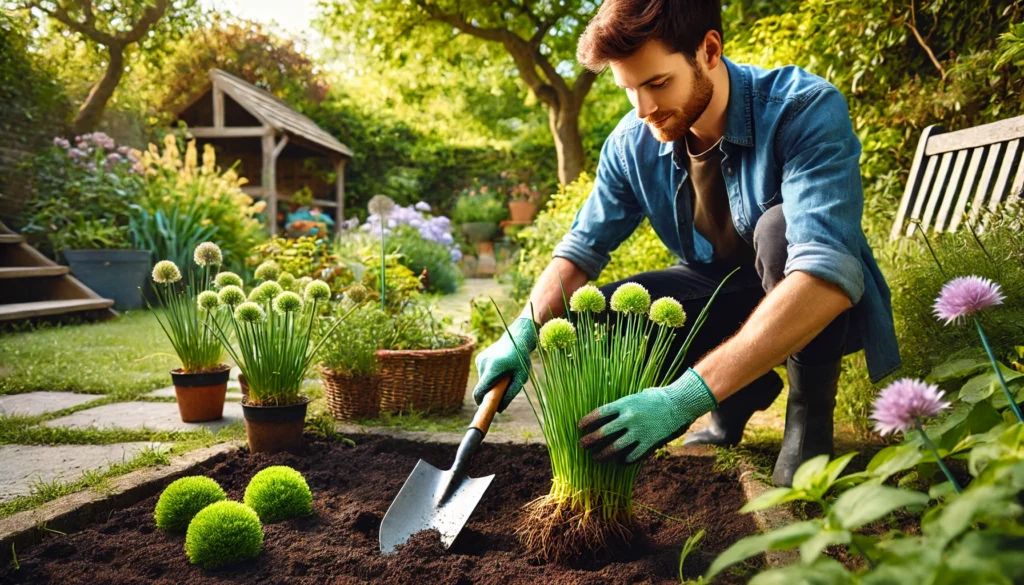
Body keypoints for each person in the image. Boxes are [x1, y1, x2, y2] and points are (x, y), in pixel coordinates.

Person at [472, 0, 900, 487]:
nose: (643, 109)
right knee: (592, 315)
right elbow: (581, 250)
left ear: (710, 50)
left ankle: (807, 416)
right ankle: (743, 389)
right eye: (629, 89)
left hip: (807, 302)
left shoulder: (801, 108)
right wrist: (522, 330)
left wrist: (684, 398)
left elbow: (826, 276)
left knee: (777, 230)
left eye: (657, 83)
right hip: (717, 289)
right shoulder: (632, 141)